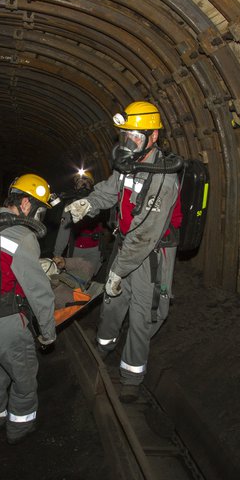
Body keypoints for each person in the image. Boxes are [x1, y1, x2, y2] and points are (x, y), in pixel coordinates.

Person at [64, 101, 182, 403]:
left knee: (143, 314)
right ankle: (104, 344)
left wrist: (119, 269)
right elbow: (110, 190)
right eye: (124, 135)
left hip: (153, 254)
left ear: (153, 136)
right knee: (113, 300)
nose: (128, 142)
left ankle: (131, 376)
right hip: (126, 244)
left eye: (135, 136)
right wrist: (88, 203)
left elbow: (145, 235)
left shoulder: (164, 179)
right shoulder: (130, 162)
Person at [0, 174, 57, 444]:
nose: (39, 217)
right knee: (24, 380)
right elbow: (39, 292)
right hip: (5, 324)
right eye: (39, 209)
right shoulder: (21, 235)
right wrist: (47, 333)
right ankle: (20, 430)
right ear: (26, 204)